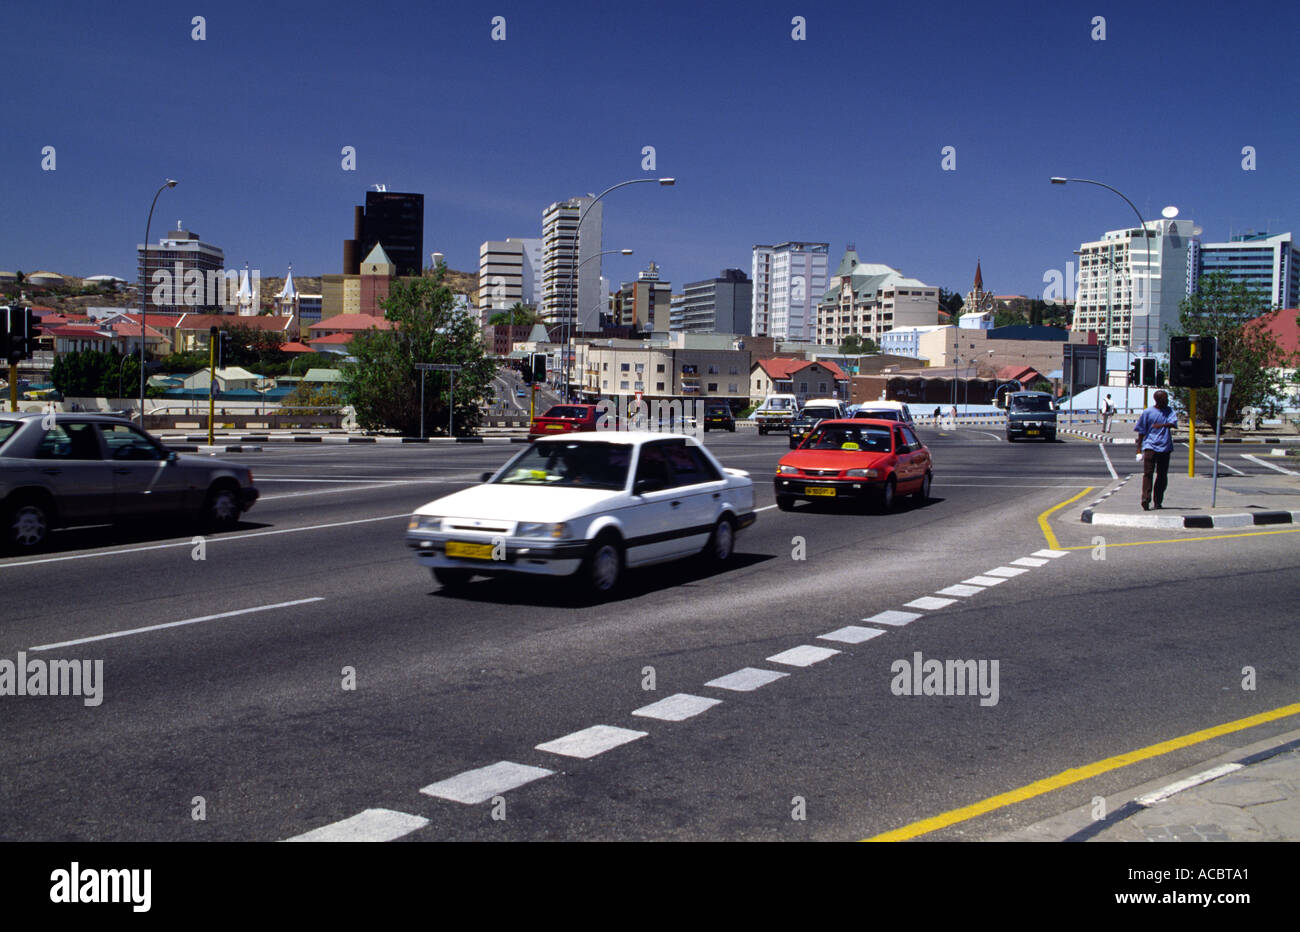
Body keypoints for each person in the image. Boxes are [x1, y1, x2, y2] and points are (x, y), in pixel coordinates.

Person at [1134, 390, 1177, 510]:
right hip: (1150, 446)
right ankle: (1145, 499)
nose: (1167, 400)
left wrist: (1162, 425)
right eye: (1165, 398)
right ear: (1158, 400)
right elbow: (1141, 431)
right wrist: (1139, 449)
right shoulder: (1148, 412)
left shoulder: (1169, 411)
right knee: (1148, 474)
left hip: (1165, 447)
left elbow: (1173, 423)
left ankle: (1158, 501)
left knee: (1162, 475)